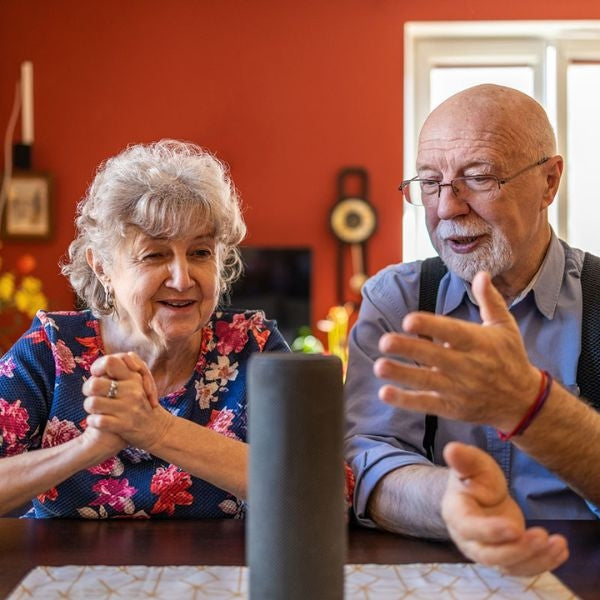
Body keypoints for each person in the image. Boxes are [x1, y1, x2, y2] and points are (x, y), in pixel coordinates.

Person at [344, 84, 600, 576]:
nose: (446, 208)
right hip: (440, 567)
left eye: (478, 178)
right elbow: (366, 455)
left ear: (549, 182)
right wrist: (451, 504)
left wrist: (530, 405)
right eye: (428, 182)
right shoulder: (397, 301)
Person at [0, 139, 290, 518]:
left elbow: (319, 491)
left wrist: (156, 430)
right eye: (155, 254)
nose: (183, 278)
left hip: (219, 575)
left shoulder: (254, 346)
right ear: (102, 266)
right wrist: (87, 447)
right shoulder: (52, 349)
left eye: (201, 253)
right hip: (70, 573)